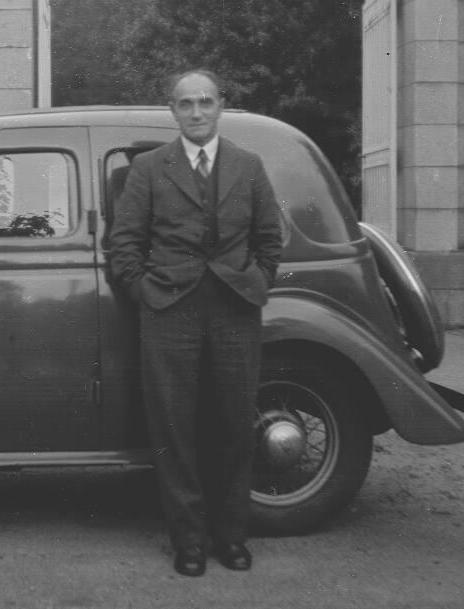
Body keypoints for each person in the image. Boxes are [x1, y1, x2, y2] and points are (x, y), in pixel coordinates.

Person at [109, 69, 283, 577]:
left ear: (221, 106)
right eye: (186, 104)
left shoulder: (249, 167)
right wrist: (145, 291)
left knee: (233, 424)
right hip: (169, 310)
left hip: (234, 309)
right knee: (172, 427)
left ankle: (231, 537)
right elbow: (124, 243)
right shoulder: (148, 168)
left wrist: (257, 282)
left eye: (206, 101)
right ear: (173, 111)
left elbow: (270, 238)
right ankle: (187, 541)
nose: (197, 112)